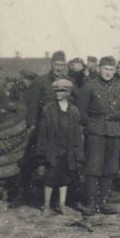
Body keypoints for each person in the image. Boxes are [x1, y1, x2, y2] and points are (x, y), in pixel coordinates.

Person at [77, 57, 120, 216]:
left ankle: (104, 202)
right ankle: (91, 203)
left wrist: (115, 117)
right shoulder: (90, 86)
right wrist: (92, 125)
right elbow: (81, 111)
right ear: (99, 69)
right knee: (93, 167)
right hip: (96, 131)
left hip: (113, 131)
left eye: (111, 70)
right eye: (105, 69)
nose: (108, 72)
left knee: (110, 167)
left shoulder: (119, 87)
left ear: (115, 71)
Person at [35, 79, 84, 216]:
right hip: (52, 150)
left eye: (61, 91)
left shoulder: (74, 111)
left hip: (67, 151)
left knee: (64, 179)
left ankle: (61, 205)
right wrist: (41, 154)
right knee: (50, 178)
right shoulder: (48, 110)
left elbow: (77, 134)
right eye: (56, 91)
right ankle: (46, 206)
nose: (58, 93)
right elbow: (43, 134)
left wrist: (78, 153)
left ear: (68, 92)